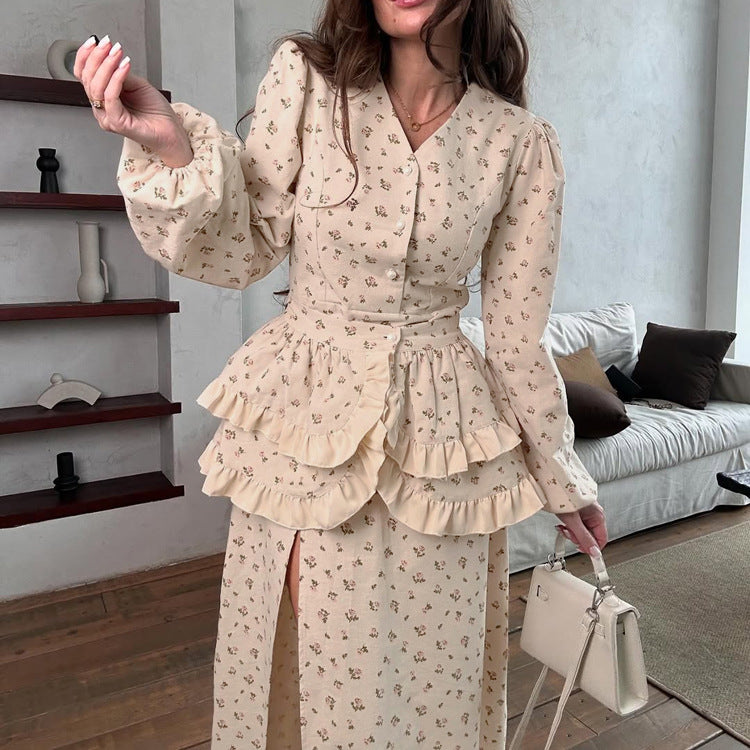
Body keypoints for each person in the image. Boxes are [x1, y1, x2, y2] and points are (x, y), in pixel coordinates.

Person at [75, 0, 608, 746]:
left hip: (442, 448)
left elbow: (518, 337)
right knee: (306, 670)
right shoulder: (306, 83)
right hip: (306, 430)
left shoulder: (519, 142)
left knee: (433, 685)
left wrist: (564, 481)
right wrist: (171, 145)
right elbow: (244, 244)